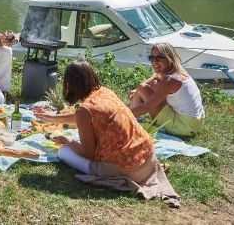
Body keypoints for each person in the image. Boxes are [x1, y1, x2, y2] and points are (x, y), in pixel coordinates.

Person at [33, 60, 180, 207]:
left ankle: (94, 166)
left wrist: (68, 141)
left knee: (64, 151)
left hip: (127, 170)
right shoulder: (106, 92)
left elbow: (88, 153)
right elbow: (83, 117)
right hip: (147, 159)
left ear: (69, 84)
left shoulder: (85, 110)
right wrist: (52, 117)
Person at [129, 42, 205, 137]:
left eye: (159, 57)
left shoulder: (170, 79)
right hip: (195, 124)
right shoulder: (178, 72)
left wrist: (120, 114)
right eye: (151, 58)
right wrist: (136, 91)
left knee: (143, 89)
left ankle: (126, 120)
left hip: (183, 127)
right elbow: (153, 78)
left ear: (169, 58)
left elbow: (147, 107)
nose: (154, 61)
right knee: (143, 88)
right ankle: (131, 118)